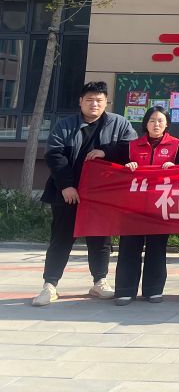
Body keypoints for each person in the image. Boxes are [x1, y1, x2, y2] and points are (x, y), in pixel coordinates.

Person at [32, 81, 136, 307]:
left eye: (99, 100)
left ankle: (99, 281)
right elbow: (54, 155)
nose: (94, 104)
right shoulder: (65, 125)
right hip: (69, 193)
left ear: (106, 102)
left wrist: (105, 151)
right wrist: (66, 185)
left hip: (102, 196)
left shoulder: (119, 124)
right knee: (61, 238)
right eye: (89, 100)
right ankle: (50, 285)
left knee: (100, 239)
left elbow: (132, 150)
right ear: (80, 102)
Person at [107, 105, 179, 305]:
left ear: (167, 124)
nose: (156, 124)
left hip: (161, 205)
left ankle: (154, 289)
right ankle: (125, 290)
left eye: (160, 121)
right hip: (133, 206)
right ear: (146, 123)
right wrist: (126, 166)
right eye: (152, 120)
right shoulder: (131, 146)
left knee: (157, 247)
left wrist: (175, 168)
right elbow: (115, 169)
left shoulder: (177, 146)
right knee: (129, 246)